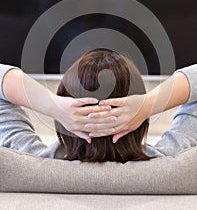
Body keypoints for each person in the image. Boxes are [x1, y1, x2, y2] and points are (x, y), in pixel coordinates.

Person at [0, 50, 196, 161]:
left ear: (64, 124)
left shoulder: (27, 162)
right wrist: (149, 104)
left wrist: (53, 105)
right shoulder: (176, 163)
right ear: (140, 122)